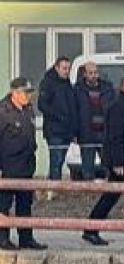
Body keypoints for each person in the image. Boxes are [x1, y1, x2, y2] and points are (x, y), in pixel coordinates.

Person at [82, 72, 124, 247]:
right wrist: (117, 163)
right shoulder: (118, 107)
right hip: (123, 163)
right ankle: (90, 229)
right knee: (111, 197)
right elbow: (115, 137)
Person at [0, 78, 45, 251]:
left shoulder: (28, 110)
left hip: (26, 166)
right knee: (3, 205)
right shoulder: (3, 112)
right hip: (8, 167)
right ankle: (2, 238)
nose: (29, 96)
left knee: (25, 205)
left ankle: (26, 238)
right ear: (15, 93)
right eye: (26, 93)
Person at [37, 57, 77, 180]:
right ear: (57, 68)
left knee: (60, 161)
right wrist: (58, 116)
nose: (67, 71)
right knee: (56, 160)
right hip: (54, 130)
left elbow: (71, 105)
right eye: (64, 68)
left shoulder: (67, 83)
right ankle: (53, 186)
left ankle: (54, 186)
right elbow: (42, 105)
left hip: (66, 130)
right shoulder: (48, 83)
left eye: (68, 69)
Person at [74, 61, 114, 181]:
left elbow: (113, 109)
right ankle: (88, 188)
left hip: (105, 131)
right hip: (86, 132)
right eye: (90, 73)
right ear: (85, 74)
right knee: (87, 164)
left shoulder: (107, 88)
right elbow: (74, 112)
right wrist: (75, 132)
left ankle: (112, 186)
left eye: (96, 72)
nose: (94, 75)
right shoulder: (77, 89)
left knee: (108, 162)